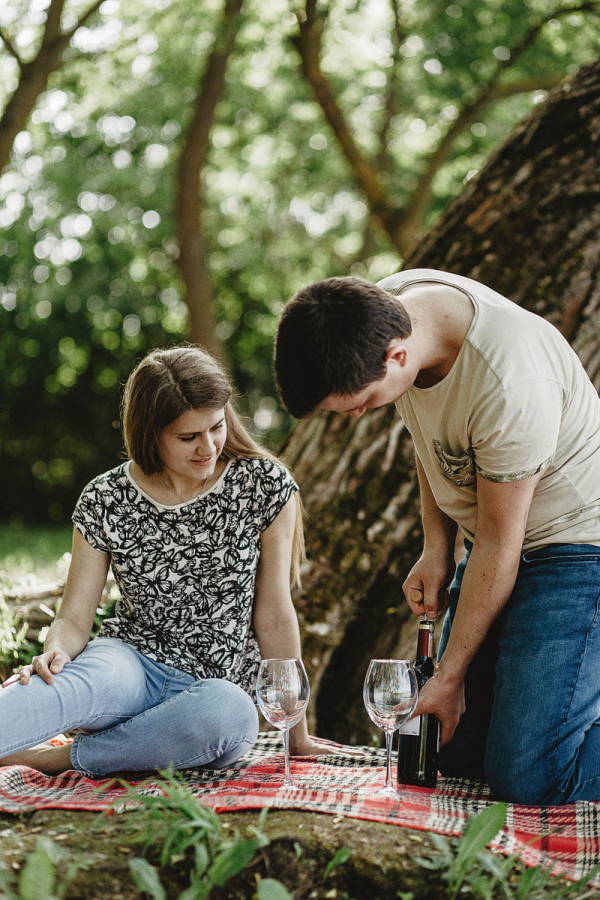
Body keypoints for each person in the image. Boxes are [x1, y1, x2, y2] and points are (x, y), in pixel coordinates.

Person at [273, 268, 600, 805]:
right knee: (445, 752)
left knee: (530, 776)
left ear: (396, 357)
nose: (357, 415)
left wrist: (449, 677)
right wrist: (436, 545)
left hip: (576, 550)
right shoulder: (384, 314)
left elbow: (501, 542)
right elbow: (434, 441)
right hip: (499, 539)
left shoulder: (509, 382)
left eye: (359, 402)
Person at [0, 345, 328, 777]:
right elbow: (75, 618)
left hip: (213, 690)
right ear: (149, 433)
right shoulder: (106, 498)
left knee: (233, 716)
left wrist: (296, 732)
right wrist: (56, 653)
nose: (208, 447)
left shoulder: (264, 485)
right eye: (188, 437)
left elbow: (274, 614)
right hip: (128, 664)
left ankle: (53, 759)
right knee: (72, 684)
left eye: (216, 427)